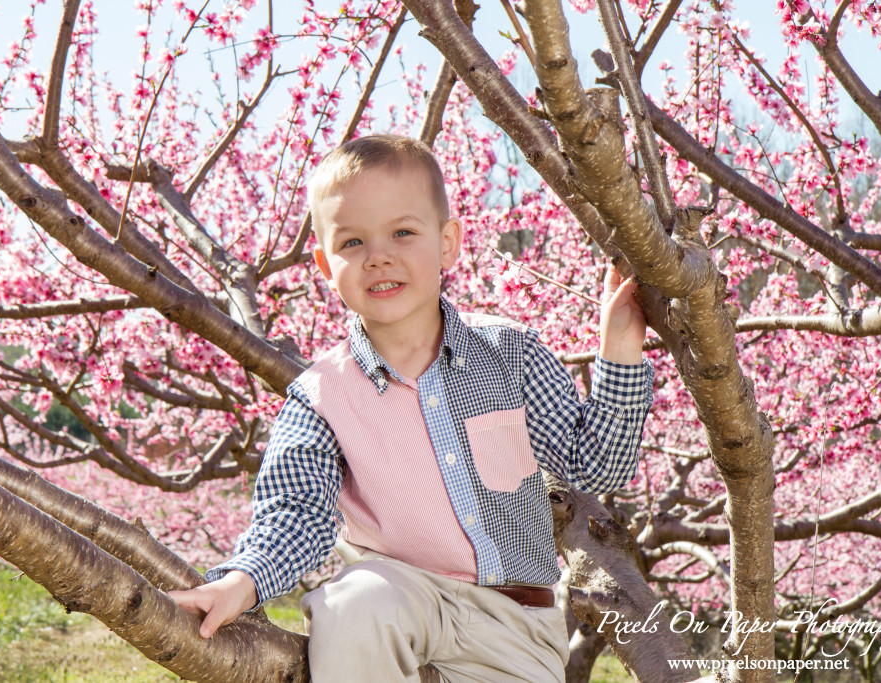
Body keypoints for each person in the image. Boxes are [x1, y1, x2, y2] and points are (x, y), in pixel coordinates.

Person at [169, 134, 653, 682]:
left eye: (403, 232)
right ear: (326, 266)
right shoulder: (322, 395)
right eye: (352, 243)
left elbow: (596, 467)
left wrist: (618, 353)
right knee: (355, 604)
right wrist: (243, 580)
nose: (379, 256)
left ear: (448, 243)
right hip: (394, 599)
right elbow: (296, 512)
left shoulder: (511, 354)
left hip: (515, 620)